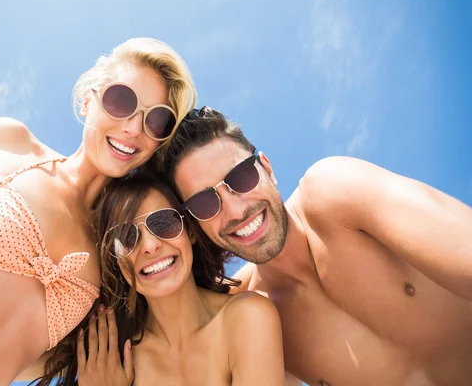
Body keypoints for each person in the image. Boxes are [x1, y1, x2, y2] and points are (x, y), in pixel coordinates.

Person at [0, 37, 197, 385]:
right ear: (89, 100)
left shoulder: (118, 257)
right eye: (121, 100)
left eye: (157, 121)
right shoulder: (8, 144)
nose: (133, 128)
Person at [163, 106, 472, 386]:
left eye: (241, 176)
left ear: (267, 168)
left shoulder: (334, 194)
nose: (234, 210)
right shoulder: (254, 317)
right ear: (196, 225)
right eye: (205, 203)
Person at [42, 174, 285, 385]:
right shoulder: (109, 360)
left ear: (190, 230)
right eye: (127, 237)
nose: (149, 246)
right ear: (114, 259)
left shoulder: (248, 317)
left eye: (164, 223)